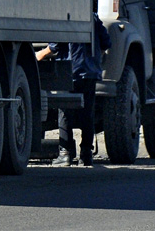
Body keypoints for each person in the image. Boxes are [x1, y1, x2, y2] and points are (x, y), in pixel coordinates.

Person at [37, 13, 110, 166]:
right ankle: (86, 154)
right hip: (90, 72)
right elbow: (106, 42)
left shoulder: (65, 16)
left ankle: (65, 153)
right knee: (87, 113)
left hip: (70, 71)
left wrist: (38, 55)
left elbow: (54, 46)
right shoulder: (93, 17)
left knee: (64, 112)